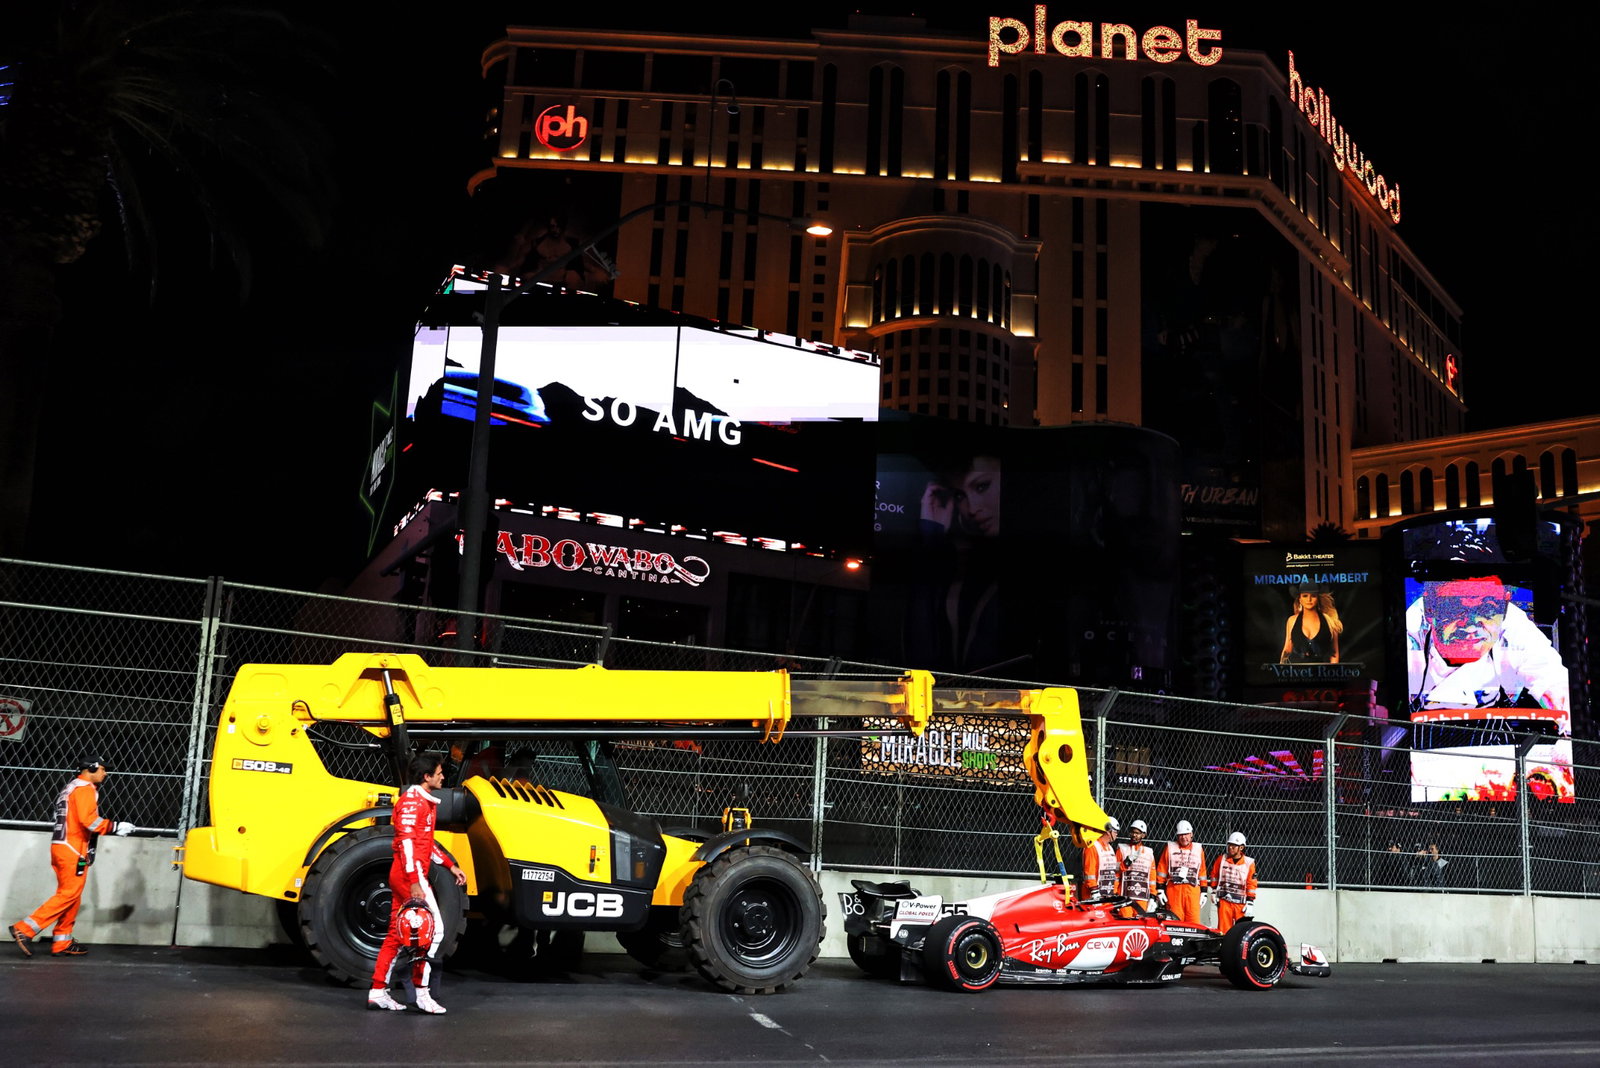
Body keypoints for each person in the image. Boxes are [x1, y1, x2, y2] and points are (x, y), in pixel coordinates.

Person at [368, 752, 467, 1014]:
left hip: (406, 873)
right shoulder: (413, 803)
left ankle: (377, 991)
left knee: (396, 934)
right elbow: (407, 844)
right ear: (426, 776)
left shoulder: (421, 801)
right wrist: (415, 882)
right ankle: (422, 993)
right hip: (409, 875)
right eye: (439, 773)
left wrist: (450, 865)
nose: (443, 777)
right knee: (432, 932)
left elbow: (425, 843)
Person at [9, 756, 133, 957]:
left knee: (71, 895)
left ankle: (62, 942)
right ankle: (24, 929)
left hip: (63, 846)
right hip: (72, 849)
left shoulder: (71, 788)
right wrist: (115, 827)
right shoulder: (84, 789)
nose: (106, 773)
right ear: (91, 768)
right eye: (103, 769)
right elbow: (89, 821)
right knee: (68, 894)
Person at [1405, 576, 1569, 712]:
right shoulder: (1410, 631)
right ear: (1429, 609)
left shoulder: (1515, 626)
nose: (1470, 626)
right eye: (1455, 609)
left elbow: (1553, 682)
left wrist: (1568, 728)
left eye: (1486, 610)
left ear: (1505, 606)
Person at [909, 454, 1004, 672]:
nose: (971, 508)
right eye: (960, 495)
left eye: (982, 486)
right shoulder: (961, 574)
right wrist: (932, 536)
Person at [1154, 819, 1206, 925]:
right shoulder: (1170, 848)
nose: (1184, 837)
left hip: (1192, 891)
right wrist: (1160, 889)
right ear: (1177, 836)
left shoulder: (1198, 849)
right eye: (1181, 835)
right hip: (1174, 891)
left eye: (1186, 834)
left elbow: (1202, 872)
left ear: (1191, 834)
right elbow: (1162, 869)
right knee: (1175, 922)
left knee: (1194, 923)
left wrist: (1204, 891)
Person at [1280, 586, 1342, 664]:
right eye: (1305, 596)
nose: (1309, 599)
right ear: (1300, 599)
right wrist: (1281, 668)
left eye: (1313, 596)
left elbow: (1334, 653)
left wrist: (1333, 670)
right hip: (1297, 669)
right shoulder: (1292, 621)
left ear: (1317, 598)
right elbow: (1287, 649)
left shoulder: (1330, 621)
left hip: (1322, 670)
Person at [1209, 831, 1257, 929]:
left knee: (1241, 930)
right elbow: (1214, 875)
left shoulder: (1249, 863)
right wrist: (1213, 891)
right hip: (1224, 901)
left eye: (1234, 846)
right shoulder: (1221, 859)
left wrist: (1250, 902)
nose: (1230, 848)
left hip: (1240, 903)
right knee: (1224, 930)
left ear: (1241, 847)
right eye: (1229, 845)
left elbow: (1251, 883)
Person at [1118, 818, 1158, 913]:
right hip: (1124, 896)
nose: (1134, 835)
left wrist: (1153, 896)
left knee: (1140, 920)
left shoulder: (1149, 853)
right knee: (1125, 919)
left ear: (1143, 835)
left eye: (1137, 833)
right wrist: (1126, 862)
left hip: (1142, 897)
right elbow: (1115, 872)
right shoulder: (1122, 849)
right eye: (1132, 832)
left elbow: (1152, 878)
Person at [1080, 817, 1121, 901]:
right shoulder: (1092, 847)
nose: (1117, 834)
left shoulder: (1110, 848)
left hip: (1107, 894)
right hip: (1093, 895)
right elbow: (1089, 872)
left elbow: (1113, 869)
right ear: (1108, 831)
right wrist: (1094, 890)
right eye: (1115, 831)